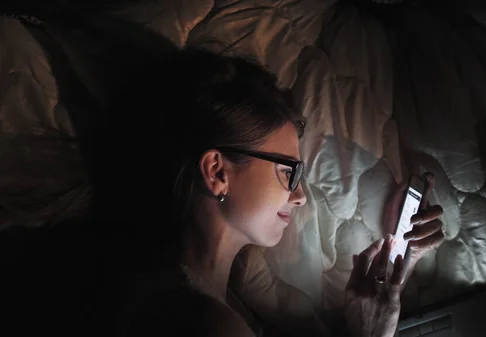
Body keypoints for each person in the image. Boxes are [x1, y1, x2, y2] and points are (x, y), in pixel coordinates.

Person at [91, 48, 444, 337]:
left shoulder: (206, 296)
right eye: (287, 171)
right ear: (216, 172)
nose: (300, 196)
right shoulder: (208, 325)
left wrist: (395, 267)